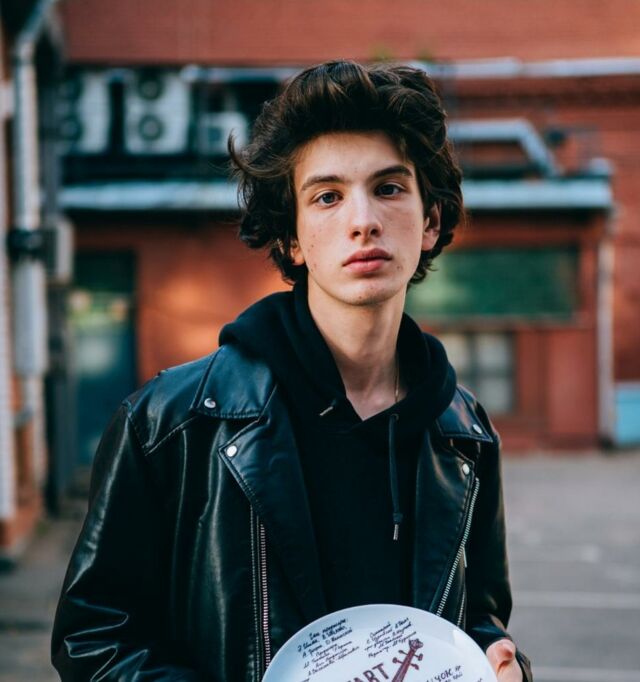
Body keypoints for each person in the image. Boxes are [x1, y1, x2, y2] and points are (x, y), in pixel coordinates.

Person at [52, 60, 532, 682]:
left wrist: (501, 663)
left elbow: (478, 620)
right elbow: (94, 637)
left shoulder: (463, 432)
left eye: (389, 188)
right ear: (292, 240)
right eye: (328, 196)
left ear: (430, 220)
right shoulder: (170, 423)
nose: (363, 220)